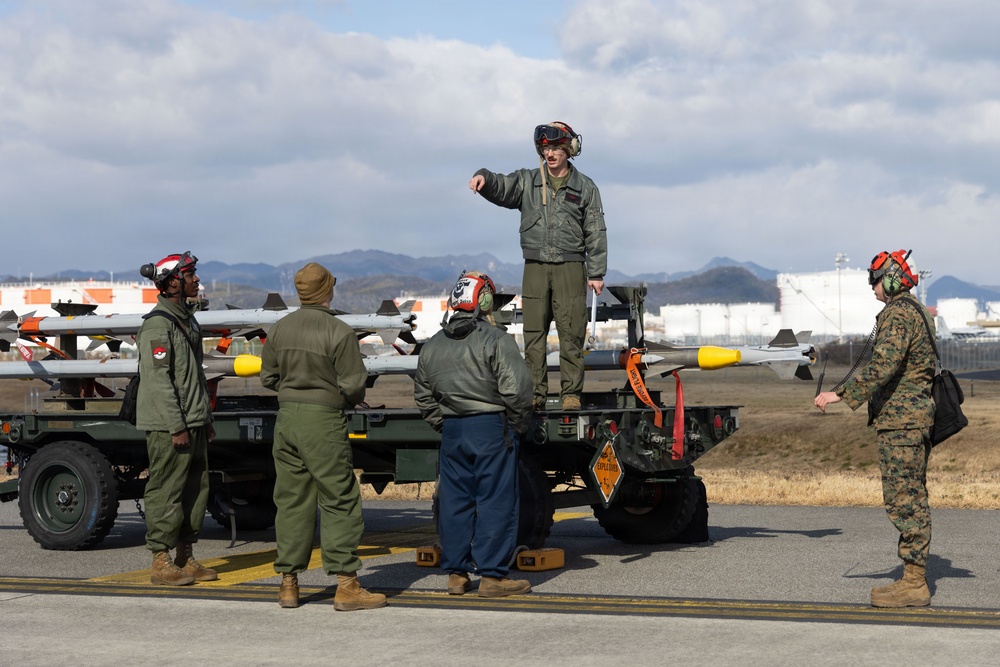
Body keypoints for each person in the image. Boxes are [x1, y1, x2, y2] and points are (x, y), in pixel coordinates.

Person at [260, 262, 386, 612]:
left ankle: (288, 584)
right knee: (338, 498)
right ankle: (346, 585)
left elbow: (267, 378)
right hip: (323, 421)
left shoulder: (280, 329)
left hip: (287, 420)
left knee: (291, 500)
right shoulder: (339, 331)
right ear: (328, 289)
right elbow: (354, 386)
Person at [814, 249, 935, 607]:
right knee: (911, 498)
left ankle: (914, 583)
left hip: (903, 423)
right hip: (910, 420)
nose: (872, 286)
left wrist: (838, 395)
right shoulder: (914, 311)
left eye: (875, 279)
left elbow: (882, 365)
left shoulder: (899, 314)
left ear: (894, 278)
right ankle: (912, 576)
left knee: (905, 501)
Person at [469, 121, 608, 411]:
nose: (551, 154)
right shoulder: (527, 182)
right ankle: (535, 393)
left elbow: (595, 229)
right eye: (546, 149)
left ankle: (571, 394)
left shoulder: (585, 187)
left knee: (571, 333)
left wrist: (596, 272)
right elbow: (502, 186)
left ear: (570, 150)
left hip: (570, 266)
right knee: (533, 333)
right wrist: (483, 177)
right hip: (534, 266)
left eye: (557, 148)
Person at [414, 270, 534, 597]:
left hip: (453, 431)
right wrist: (516, 425)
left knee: (455, 501)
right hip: (492, 429)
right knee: (496, 501)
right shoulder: (496, 340)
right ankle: (493, 578)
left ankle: (457, 575)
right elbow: (518, 392)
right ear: (483, 301)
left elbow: (423, 396)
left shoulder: (433, 345)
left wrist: (445, 423)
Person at [136, 251, 217, 586]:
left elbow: (193, 376)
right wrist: (177, 425)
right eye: (189, 274)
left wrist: (204, 418)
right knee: (166, 489)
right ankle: (160, 560)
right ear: (171, 281)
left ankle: (185, 555)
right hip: (168, 424)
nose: (196, 279)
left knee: (195, 489)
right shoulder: (158, 325)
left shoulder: (186, 318)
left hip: (193, 420)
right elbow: (159, 381)